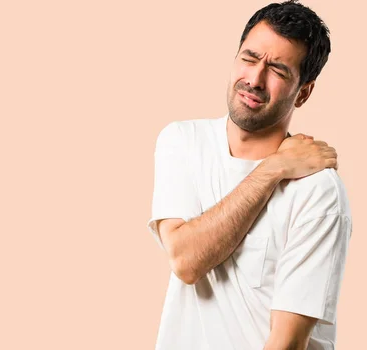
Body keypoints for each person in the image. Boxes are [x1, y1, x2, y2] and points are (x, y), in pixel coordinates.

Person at [147, 1, 352, 349]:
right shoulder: (182, 142)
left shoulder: (319, 189)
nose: (255, 79)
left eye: (278, 70)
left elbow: (287, 344)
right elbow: (185, 259)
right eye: (249, 58)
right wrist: (274, 169)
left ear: (303, 92)